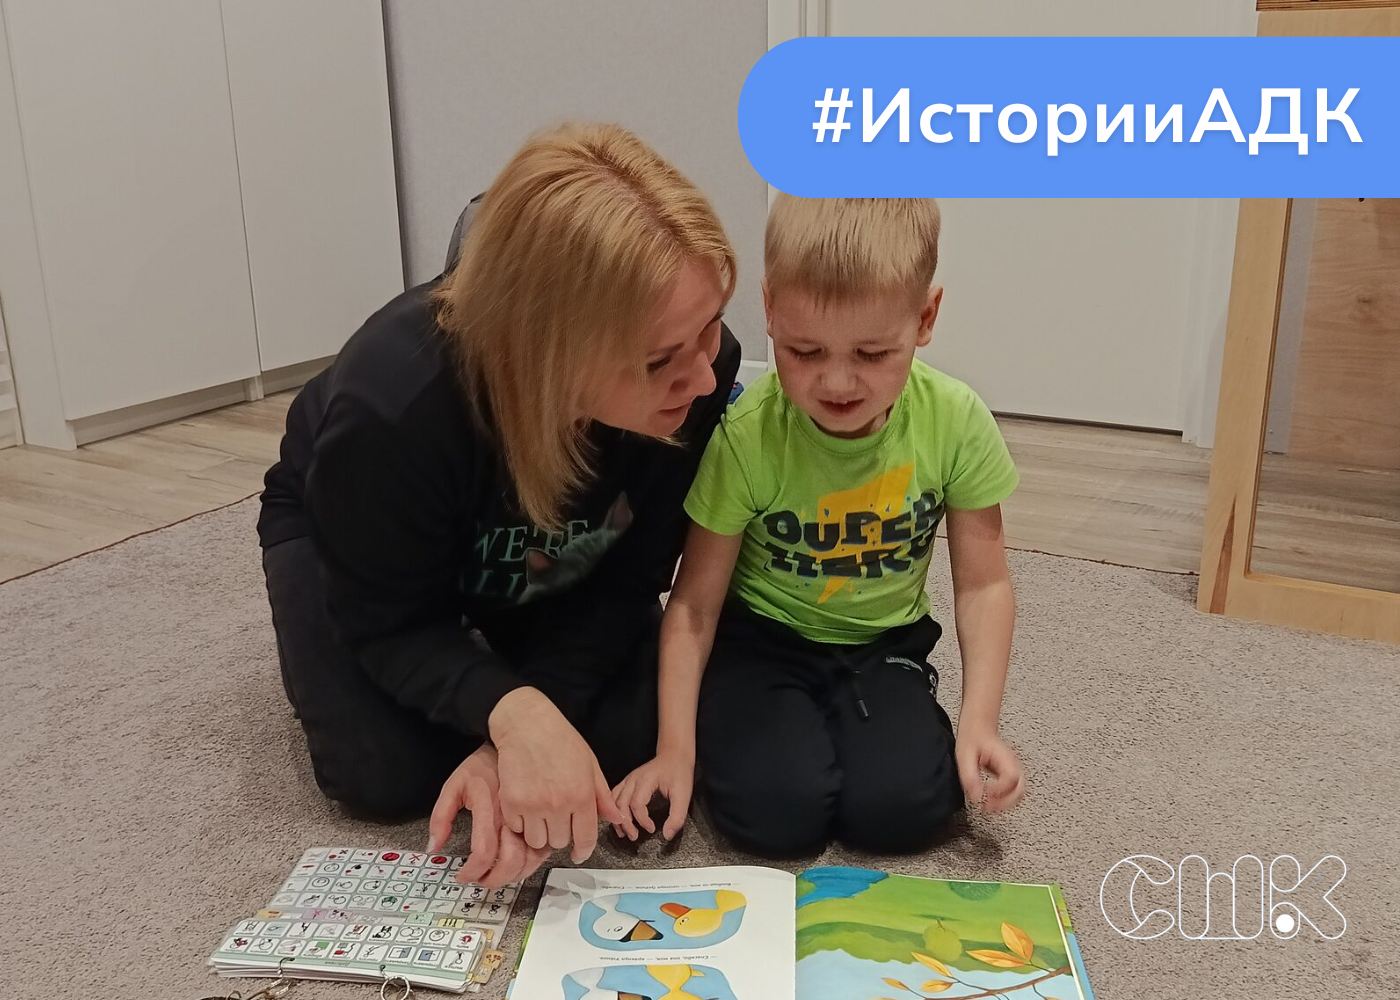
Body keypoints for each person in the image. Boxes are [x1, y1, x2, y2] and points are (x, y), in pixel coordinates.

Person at [257, 122, 740, 886]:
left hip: (536, 534)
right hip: (360, 532)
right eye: (659, 361)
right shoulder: (393, 406)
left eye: (711, 329)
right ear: (548, 352)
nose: (707, 379)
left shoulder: (698, 376)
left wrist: (506, 737)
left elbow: (626, 578)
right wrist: (515, 713)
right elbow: (388, 622)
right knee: (380, 776)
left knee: (624, 737)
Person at [612, 196, 1026, 857]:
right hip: (761, 644)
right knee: (775, 817)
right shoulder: (748, 436)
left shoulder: (956, 422)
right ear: (771, 311)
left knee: (908, 811)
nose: (836, 382)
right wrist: (674, 751)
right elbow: (693, 605)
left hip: (884, 645)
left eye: (872, 352)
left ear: (924, 319)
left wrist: (979, 722)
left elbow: (983, 586)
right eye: (803, 350)